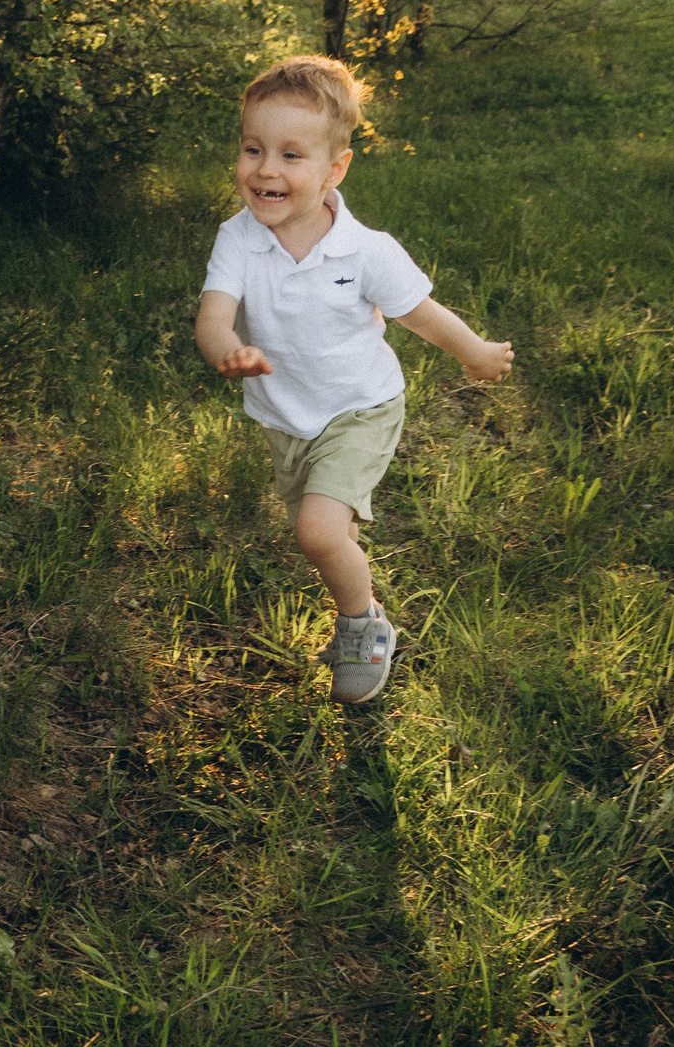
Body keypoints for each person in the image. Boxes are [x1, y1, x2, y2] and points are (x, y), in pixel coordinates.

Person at [193, 56, 513, 703]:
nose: (266, 169)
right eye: (253, 149)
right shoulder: (239, 238)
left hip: (362, 408)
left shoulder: (365, 250)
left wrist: (474, 352)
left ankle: (363, 626)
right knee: (329, 529)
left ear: (335, 168)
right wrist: (228, 350)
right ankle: (344, 546)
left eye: (291, 154)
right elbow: (212, 317)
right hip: (286, 417)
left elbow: (420, 315)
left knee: (315, 533)